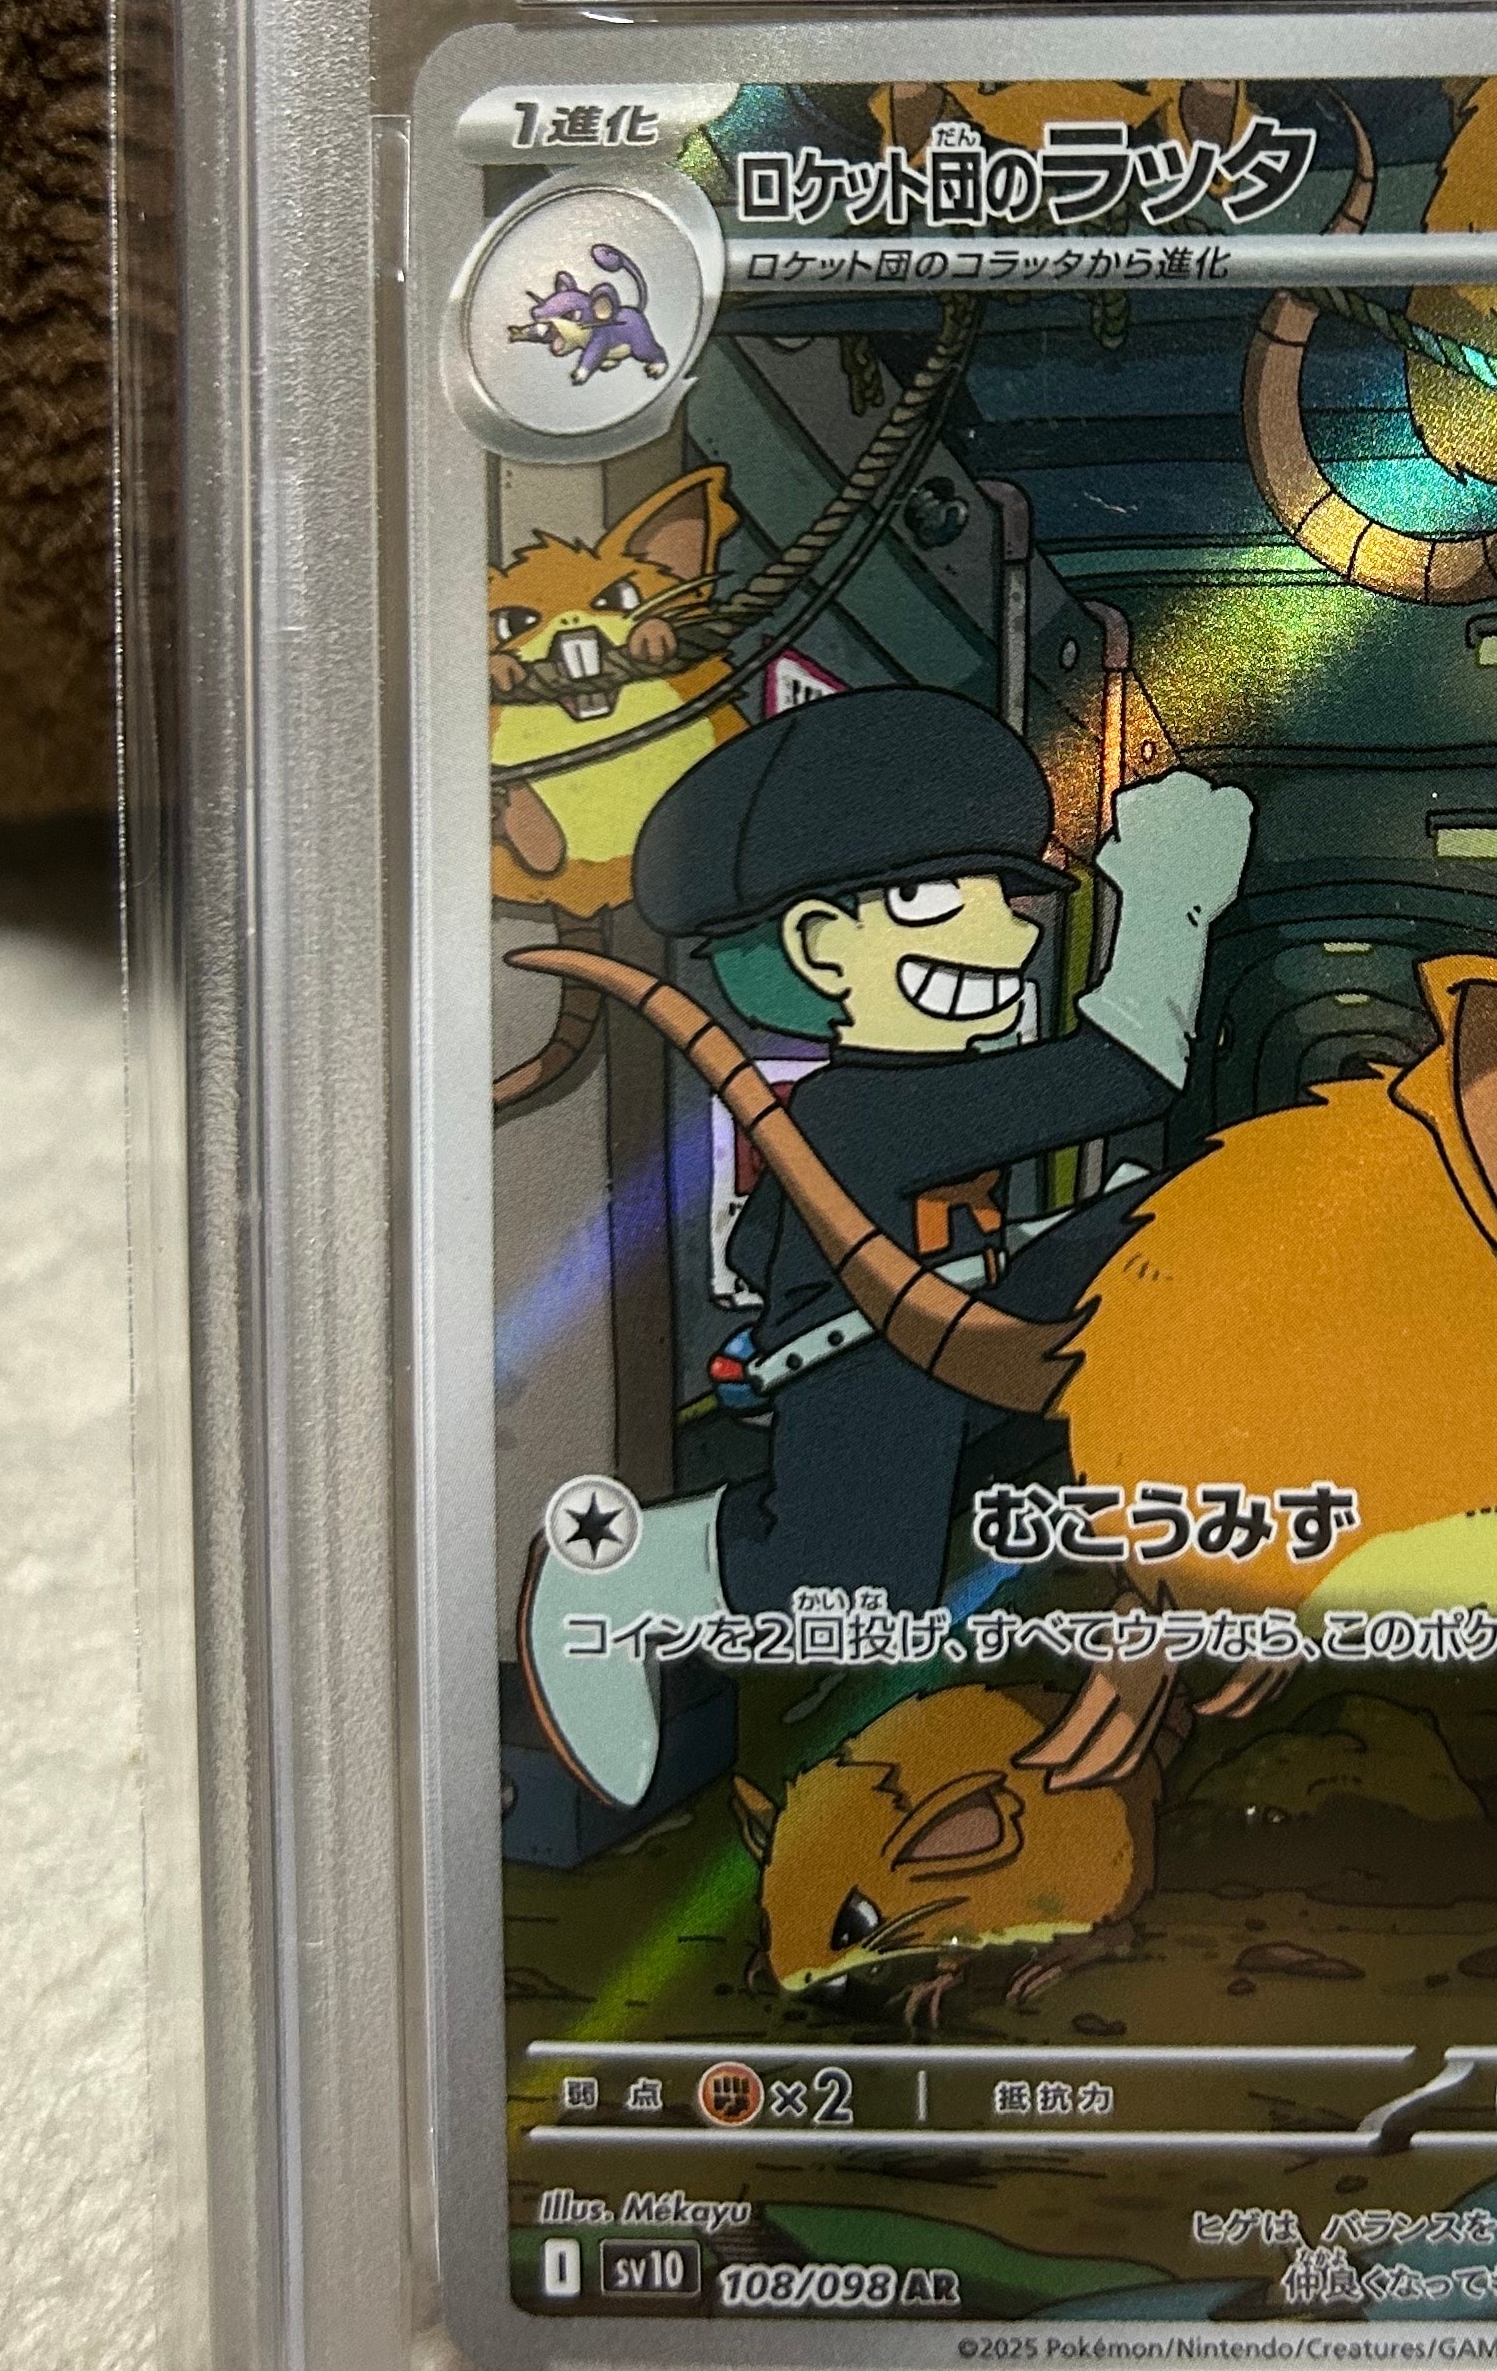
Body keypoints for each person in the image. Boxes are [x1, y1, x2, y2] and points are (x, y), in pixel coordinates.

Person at [517, 684, 1255, 1808]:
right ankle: (618, 1573)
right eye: (928, 901)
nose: (1009, 933)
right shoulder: (860, 1110)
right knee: (859, 1592)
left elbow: (780, 1238)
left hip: (967, 1332)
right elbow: (1122, 1074)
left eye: (1005, 898)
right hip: (868, 1360)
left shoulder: (905, 1097)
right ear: (820, 948)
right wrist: (1166, 904)